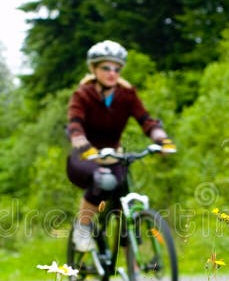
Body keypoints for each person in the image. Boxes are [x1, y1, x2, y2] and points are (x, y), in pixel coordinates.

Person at [66, 40, 176, 252]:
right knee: (104, 180)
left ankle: (135, 273)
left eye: (117, 68)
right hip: (84, 158)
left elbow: (146, 120)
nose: (112, 73)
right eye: (106, 67)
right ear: (94, 69)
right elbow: (75, 125)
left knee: (125, 207)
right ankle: (83, 226)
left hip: (113, 156)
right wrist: (83, 145)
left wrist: (161, 140)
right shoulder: (82, 95)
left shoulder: (127, 95)